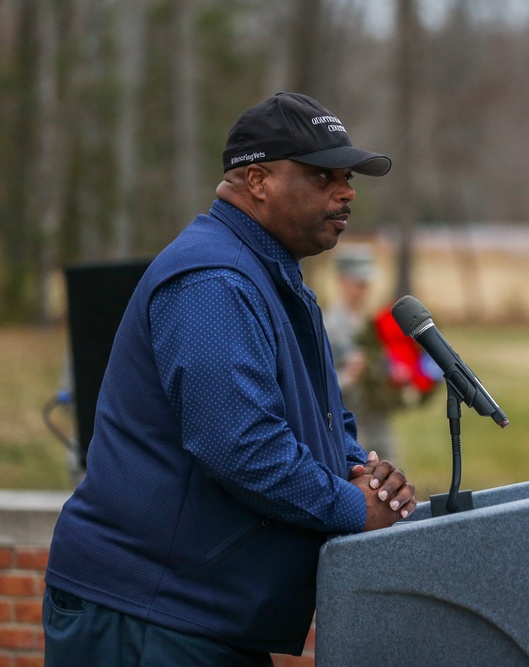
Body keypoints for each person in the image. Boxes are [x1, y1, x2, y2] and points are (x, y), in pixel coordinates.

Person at [43, 92, 415, 666]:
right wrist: (350, 506)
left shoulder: (271, 275)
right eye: (323, 176)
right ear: (258, 180)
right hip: (146, 611)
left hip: (199, 613)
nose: (346, 193)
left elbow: (321, 417)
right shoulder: (213, 281)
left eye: (347, 177)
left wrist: (360, 470)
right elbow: (239, 444)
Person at [323, 246, 400, 461]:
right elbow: (317, 387)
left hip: (380, 425)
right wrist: (349, 376)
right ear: (341, 280)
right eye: (358, 283)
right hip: (349, 431)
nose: (364, 289)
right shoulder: (328, 326)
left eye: (367, 283)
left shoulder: (372, 324)